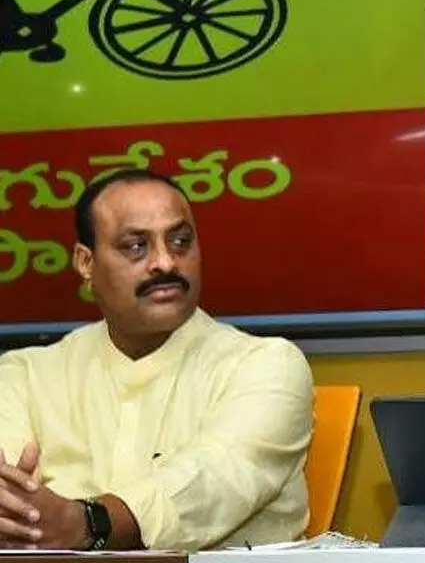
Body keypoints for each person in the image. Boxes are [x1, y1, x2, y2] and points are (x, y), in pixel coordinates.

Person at [0, 170, 314, 551]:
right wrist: (26, 517)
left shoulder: (266, 366)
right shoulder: (24, 377)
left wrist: (85, 522)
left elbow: (211, 482)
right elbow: (14, 503)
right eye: (136, 246)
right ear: (86, 262)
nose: (165, 263)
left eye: (181, 242)